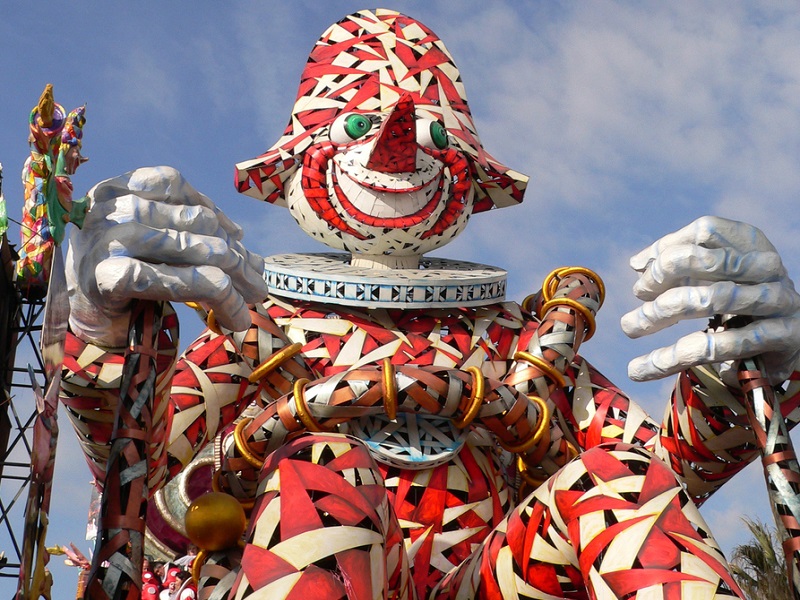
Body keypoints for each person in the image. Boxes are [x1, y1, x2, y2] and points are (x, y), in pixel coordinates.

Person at [60, 8, 800, 599]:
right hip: (285, 566)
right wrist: (101, 332)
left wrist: (738, 372)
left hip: (496, 578)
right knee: (322, 474)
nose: (396, 144)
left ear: (472, 175)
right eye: (356, 124)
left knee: (619, 488)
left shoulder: (517, 340)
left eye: (433, 133)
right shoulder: (262, 322)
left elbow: (656, 472)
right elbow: (138, 462)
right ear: (294, 161)